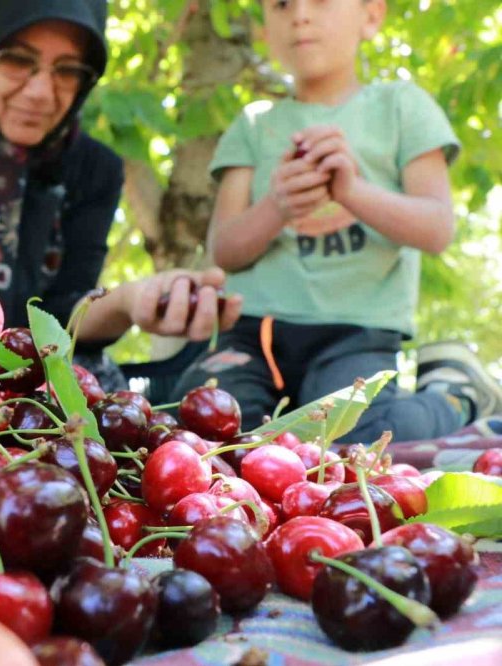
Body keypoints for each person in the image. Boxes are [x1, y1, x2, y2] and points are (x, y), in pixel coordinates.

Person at [0, 0, 241, 390]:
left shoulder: (95, 171)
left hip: (29, 380)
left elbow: (63, 318)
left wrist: (129, 302)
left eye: (68, 70)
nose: (40, 91)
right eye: (18, 60)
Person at [168, 0, 502, 443]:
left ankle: (455, 397)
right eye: (281, 4)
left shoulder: (403, 107)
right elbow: (225, 249)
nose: (300, 15)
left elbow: (437, 228)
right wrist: (277, 207)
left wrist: (351, 193)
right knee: (201, 419)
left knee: (353, 436)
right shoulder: (253, 124)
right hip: (254, 332)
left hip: (358, 332)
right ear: (265, 26)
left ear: (371, 16)